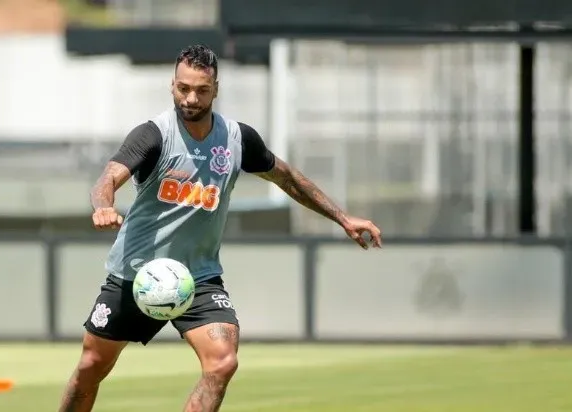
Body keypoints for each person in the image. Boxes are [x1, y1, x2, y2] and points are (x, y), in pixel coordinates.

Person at [58, 44, 382, 412]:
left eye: (202, 90)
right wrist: (103, 206)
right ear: (172, 85)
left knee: (223, 361)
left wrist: (343, 217)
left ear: (216, 88)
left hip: (197, 280)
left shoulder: (237, 139)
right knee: (91, 366)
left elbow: (287, 178)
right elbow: (107, 177)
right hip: (135, 276)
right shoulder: (153, 136)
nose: (191, 98)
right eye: (183, 88)